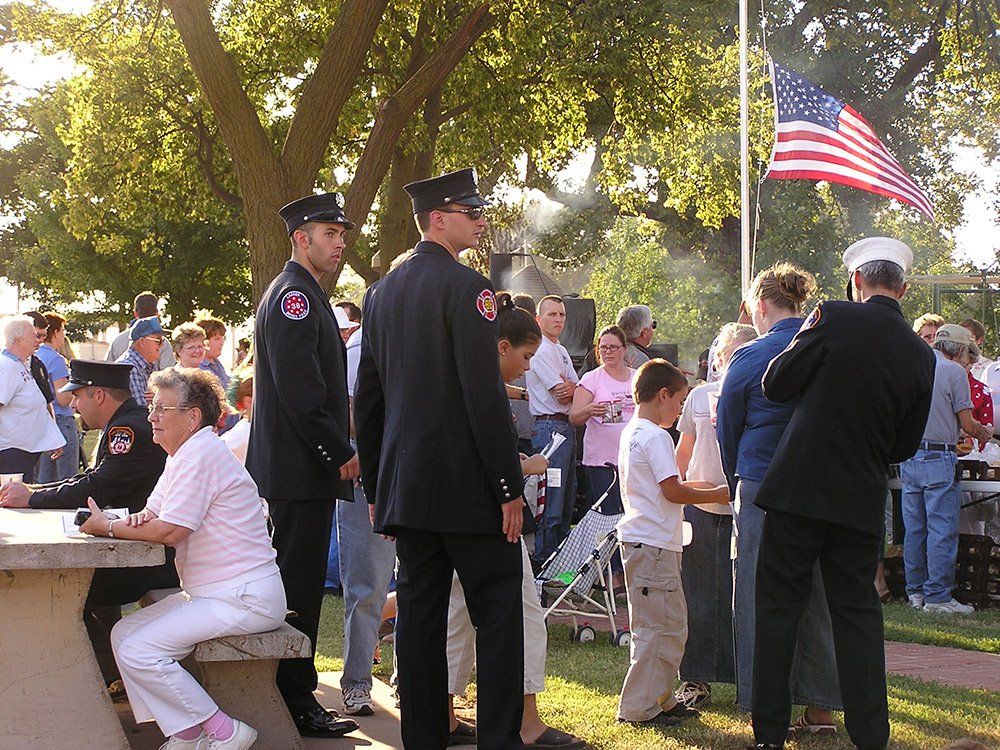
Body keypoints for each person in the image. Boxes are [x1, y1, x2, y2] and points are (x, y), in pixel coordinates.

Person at [355, 168, 526, 750]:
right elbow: (482, 393)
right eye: (469, 211)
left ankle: (422, 740)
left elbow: (369, 399)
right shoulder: (467, 287)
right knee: (499, 618)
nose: (480, 220)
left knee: (421, 621)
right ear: (437, 219)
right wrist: (509, 485)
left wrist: (378, 484)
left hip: (410, 487)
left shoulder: (380, 292)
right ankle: (498, 741)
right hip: (470, 487)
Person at [748, 238, 936, 750]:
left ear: (857, 281)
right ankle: (871, 735)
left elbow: (778, 381)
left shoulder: (832, 317)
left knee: (778, 608)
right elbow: (903, 443)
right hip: (860, 498)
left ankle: (769, 733)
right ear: (903, 287)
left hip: (799, 488)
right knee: (857, 615)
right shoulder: (922, 355)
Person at [78, 368, 285, 750]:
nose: (151, 417)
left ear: (192, 417)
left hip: (242, 597)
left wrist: (107, 527)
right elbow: (153, 514)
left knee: (141, 650)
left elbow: (171, 532)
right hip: (214, 594)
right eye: (152, 407)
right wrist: (125, 521)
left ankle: (225, 731)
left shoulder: (201, 453)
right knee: (123, 634)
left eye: (161, 409)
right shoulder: (182, 454)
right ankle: (187, 734)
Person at [446, 293, 584, 750]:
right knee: (523, 611)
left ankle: (444, 714)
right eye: (526, 356)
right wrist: (519, 472)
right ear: (501, 346)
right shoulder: (483, 384)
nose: (528, 367)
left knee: (454, 614)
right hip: (489, 517)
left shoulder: (453, 373)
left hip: (450, 517)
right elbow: (484, 455)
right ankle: (525, 720)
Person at [246, 191, 359, 739]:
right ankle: (294, 698)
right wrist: (340, 451)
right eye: (330, 234)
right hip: (300, 469)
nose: (340, 244)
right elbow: (302, 393)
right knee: (298, 586)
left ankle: (292, 691)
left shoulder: (301, 292)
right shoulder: (294, 295)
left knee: (302, 582)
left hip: (298, 467)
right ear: (301, 237)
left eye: (341, 235)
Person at [715, 263, 842, 731]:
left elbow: (728, 429)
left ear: (759, 306)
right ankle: (820, 706)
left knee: (756, 596)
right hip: (819, 488)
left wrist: (736, 481)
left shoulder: (748, 357)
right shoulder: (827, 352)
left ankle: (766, 707)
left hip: (763, 485)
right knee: (817, 595)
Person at [0, 358, 174, 686]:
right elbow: (93, 479)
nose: (75, 406)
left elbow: (97, 487)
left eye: (78, 396)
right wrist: (33, 492)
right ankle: (104, 674)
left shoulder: (129, 430)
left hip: (154, 558)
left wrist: (32, 497)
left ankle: (98, 677)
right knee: (63, 586)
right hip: (142, 548)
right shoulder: (128, 422)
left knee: (51, 588)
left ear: (99, 396)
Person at [615, 358, 729, 726]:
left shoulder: (633, 431)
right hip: (653, 546)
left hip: (645, 542)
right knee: (659, 629)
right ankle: (639, 708)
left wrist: (710, 488)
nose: (680, 411)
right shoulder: (656, 435)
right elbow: (673, 490)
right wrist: (718, 492)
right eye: (679, 402)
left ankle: (660, 698)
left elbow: (670, 485)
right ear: (663, 395)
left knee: (668, 626)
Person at [673, 322, 756, 710]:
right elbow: (684, 449)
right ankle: (695, 680)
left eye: (742, 353)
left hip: (745, 506)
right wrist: (671, 492)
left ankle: (749, 682)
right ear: (717, 359)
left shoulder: (762, 391)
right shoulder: (699, 396)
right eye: (727, 355)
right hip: (702, 504)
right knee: (698, 596)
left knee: (745, 599)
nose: (731, 362)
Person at [899, 324, 991, 615]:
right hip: (939, 458)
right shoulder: (953, 372)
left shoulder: (912, 366)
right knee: (941, 530)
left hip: (910, 456)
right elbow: (967, 424)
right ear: (961, 350)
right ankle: (938, 596)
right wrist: (984, 431)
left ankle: (915, 592)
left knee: (915, 530)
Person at [336, 292, 396, 719]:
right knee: (368, 584)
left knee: (421, 582)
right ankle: (357, 682)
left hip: (413, 464)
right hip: (370, 467)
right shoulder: (361, 344)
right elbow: (350, 409)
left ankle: (411, 678)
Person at [525, 294, 579, 564]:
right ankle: (544, 569)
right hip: (550, 429)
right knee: (551, 504)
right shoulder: (542, 349)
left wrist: (574, 388)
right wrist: (573, 388)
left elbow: (578, 390)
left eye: (562, 315)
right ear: (538, 318)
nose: (558, 319)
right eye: (552, 314)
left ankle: (558, 567)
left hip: (564, 428)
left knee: (565, 503)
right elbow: (562, 393)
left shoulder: (560, 349)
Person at [0, 315, 65, 480]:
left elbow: (39, 404)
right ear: (18, 339)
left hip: (24, 451)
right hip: (12, 453)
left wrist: (53, 438)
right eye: (33, 336)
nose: (37, 340)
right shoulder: (7, 366)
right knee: (12, 501)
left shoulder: (22, 364)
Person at [35, 312, 80, 481]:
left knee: (42, 480)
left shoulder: (34, 357)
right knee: (65, 480)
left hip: (40, 423)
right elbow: (63, 398)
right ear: (55, 333)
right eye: (63, 331)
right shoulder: (56, 360)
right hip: (61, 421)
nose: (64, 336)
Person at [106, 291, 176, 370]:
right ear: (157, 314)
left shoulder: (117, 341)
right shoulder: (163, 342)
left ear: (135, 313)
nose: (160, 345)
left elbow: (107, 370)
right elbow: (168, 376)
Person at [116, 316, 165, 407]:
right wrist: (160, 401)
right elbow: (142, 413)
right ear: (142, 342)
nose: (162, 345)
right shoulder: (129, 368)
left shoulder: (149, 365)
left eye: (163, 341)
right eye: (158, 341)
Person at [194, 314, 231, 391]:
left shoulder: (217, 364)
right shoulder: (197, 370)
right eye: (217, 339)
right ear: (204, 342)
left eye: (222, 338)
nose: (222, 342)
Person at [616, 304, 655, 369]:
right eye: (653, 325)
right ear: (644, 332)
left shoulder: (611, 351)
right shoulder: (641, 361)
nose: (653, 330)